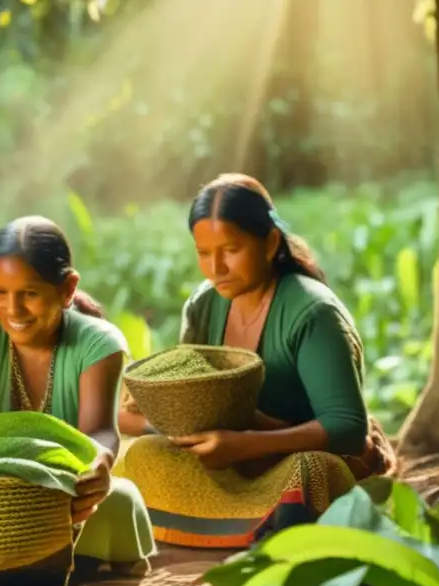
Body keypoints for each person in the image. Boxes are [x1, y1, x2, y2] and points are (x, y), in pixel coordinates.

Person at [117, 173, 395, 547]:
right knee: (144, 456)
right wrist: (159, 407)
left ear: (270, 244)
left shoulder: (312, 312)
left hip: (287, 464)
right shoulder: (204, 305)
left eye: (231, 250)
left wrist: (244, 443)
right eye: (203, 253)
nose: (216, 268)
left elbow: (347, 427)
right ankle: (233, 530)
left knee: (312, 471)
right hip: (224, 469)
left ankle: (226, 531)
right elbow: (194, 398)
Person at [0, 216, 156, 575]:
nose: (13, 309)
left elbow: (99, 431)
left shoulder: (100, 342)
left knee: (120, 499)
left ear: (68, 289)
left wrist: (98, 464)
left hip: (59, 494)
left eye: (31, 294)